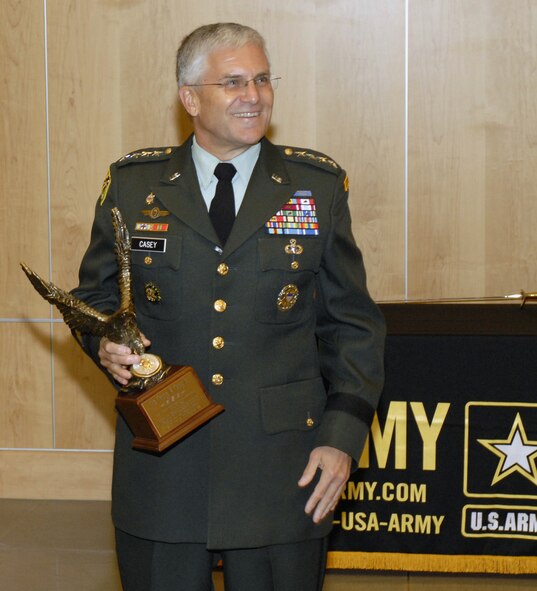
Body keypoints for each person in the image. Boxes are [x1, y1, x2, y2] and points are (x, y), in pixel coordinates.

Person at [72, 22, 385, 591]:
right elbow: (94, 300)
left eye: (263, 79)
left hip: (284, 466)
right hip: (164, 464)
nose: (255, 95)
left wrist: (341, 439)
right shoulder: (132, 185)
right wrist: (104, 344)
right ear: (190, 98)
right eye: (234, 82)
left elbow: (354, 325)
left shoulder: (313, 187)